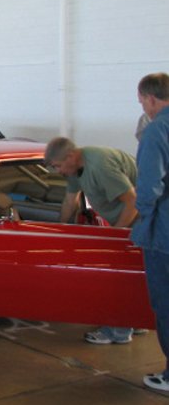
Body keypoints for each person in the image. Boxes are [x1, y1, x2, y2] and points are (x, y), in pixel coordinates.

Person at [44, 136, 139, 344]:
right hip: (130, 221)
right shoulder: (75, 169)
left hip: (143, 220)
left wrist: (116, 235)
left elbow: (133, 201)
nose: (58, 171)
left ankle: (118, 332)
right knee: (135, 277)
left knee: (118, 277)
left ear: (71, 156)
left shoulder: (100, 166)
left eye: (58, 166)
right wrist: (59, 230)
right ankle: (136, 320)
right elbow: (70, 200)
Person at [132, 72, 169, 392]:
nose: (143, 106)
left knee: (166, 304)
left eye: (142, 101)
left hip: (164, 232)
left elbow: (149, 186)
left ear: (152, 98)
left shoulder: (157, 130)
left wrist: (142, 215)